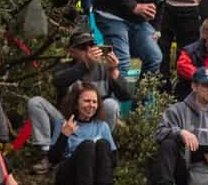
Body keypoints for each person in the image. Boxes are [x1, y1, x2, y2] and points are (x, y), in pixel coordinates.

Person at [28, 31, 131, 167]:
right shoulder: (64, 68)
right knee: (35, 102)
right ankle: (48, 154)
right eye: (83, 47)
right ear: (72, 52)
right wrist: (85, 65)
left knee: (111, 105)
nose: (89, 50)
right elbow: (58, 82)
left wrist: (114, 71)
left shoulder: (104, 69)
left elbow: (125, 96)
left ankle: (101, 148)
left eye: (91, 45)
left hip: (92, 125)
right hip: (64, 123)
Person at [45, 81, 117, 185]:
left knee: (102, 143)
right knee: (87, 145)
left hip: (94, 179)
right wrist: (64, 136)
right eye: (87, 101)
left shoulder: (102, 126)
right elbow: (52, 159)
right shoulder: (63, 123)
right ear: (76, 103)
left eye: (94, 102)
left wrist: (98, 154)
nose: (91, 105)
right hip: (69, 179)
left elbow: (113, 161)